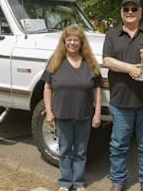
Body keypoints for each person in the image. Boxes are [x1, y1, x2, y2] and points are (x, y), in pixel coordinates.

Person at [103, 0, 143, 191]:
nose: (130, 12)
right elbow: (107, 61)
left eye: (134, 9)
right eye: (126, 9)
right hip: (121, 101)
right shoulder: (111, 34)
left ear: (140, 12)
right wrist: (129, 68)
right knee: (119, 145)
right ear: (121, 12)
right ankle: (118, 182)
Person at [41, 24, 102, 191]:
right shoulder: (55, 61)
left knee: (81, 151)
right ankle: (65, 182)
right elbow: (47, 88)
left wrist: (97, 113)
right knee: (65, 150)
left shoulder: (90, 63)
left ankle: (80, 183)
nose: (73, 43)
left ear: (81, 43)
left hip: (84, 115)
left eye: (76, 40)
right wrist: (49, 110)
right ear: (64, 42)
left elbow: (97, 90)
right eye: (69, 40)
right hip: (62, 115)